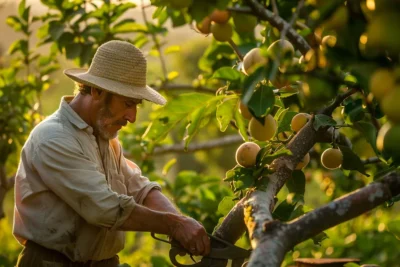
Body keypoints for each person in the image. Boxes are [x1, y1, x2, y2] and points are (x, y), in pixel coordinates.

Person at [13, 40, 211, 266]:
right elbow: (104, 208)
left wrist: (180, 221)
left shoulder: (105, 139)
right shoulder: (54, 138)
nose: (132, 117)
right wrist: (174, 225)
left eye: (136, 105)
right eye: (128, 103)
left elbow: (139, 187)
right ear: (97, 91)